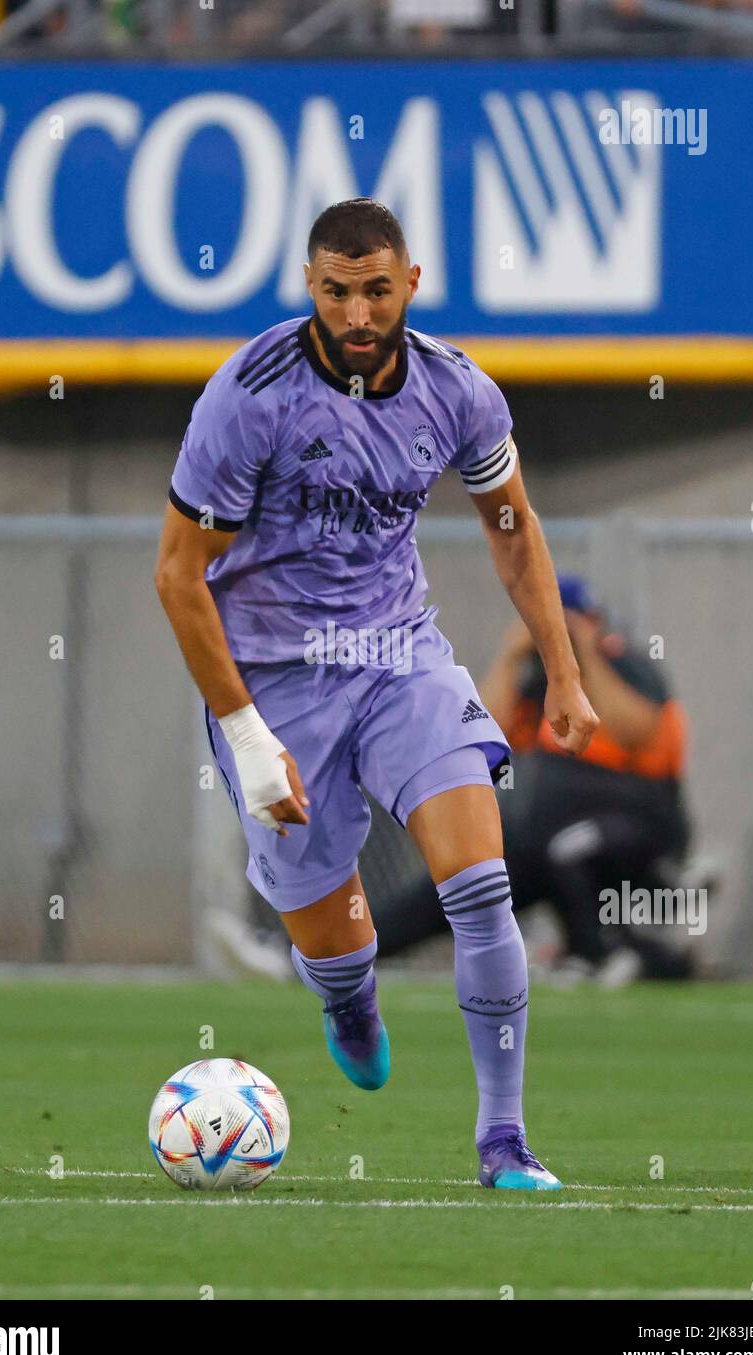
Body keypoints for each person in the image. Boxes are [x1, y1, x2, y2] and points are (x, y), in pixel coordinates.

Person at [154, 198, 597, 1192]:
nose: (357, 315)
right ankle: (347, 995)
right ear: (311, 288)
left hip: (401, 656)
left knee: (480, 885)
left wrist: (562, 671)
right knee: (333, 938)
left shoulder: (457, 391)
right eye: (336, 292)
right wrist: (248, 733)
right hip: (274, 682)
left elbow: (512, 524)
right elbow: (181, 575)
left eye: (376, 291)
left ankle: (505, 1144)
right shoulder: (248, 396)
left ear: (411, 286)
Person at [375, 575, 695, 984]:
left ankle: (594, 955)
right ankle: (350, 951)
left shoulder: (625, 664)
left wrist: (580, 657)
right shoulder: (534, 681)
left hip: (638, 821)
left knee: (568, 846)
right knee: (473, 879)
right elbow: (480, 736)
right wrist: (511, 657)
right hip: (549, 830)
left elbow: (635, 730)